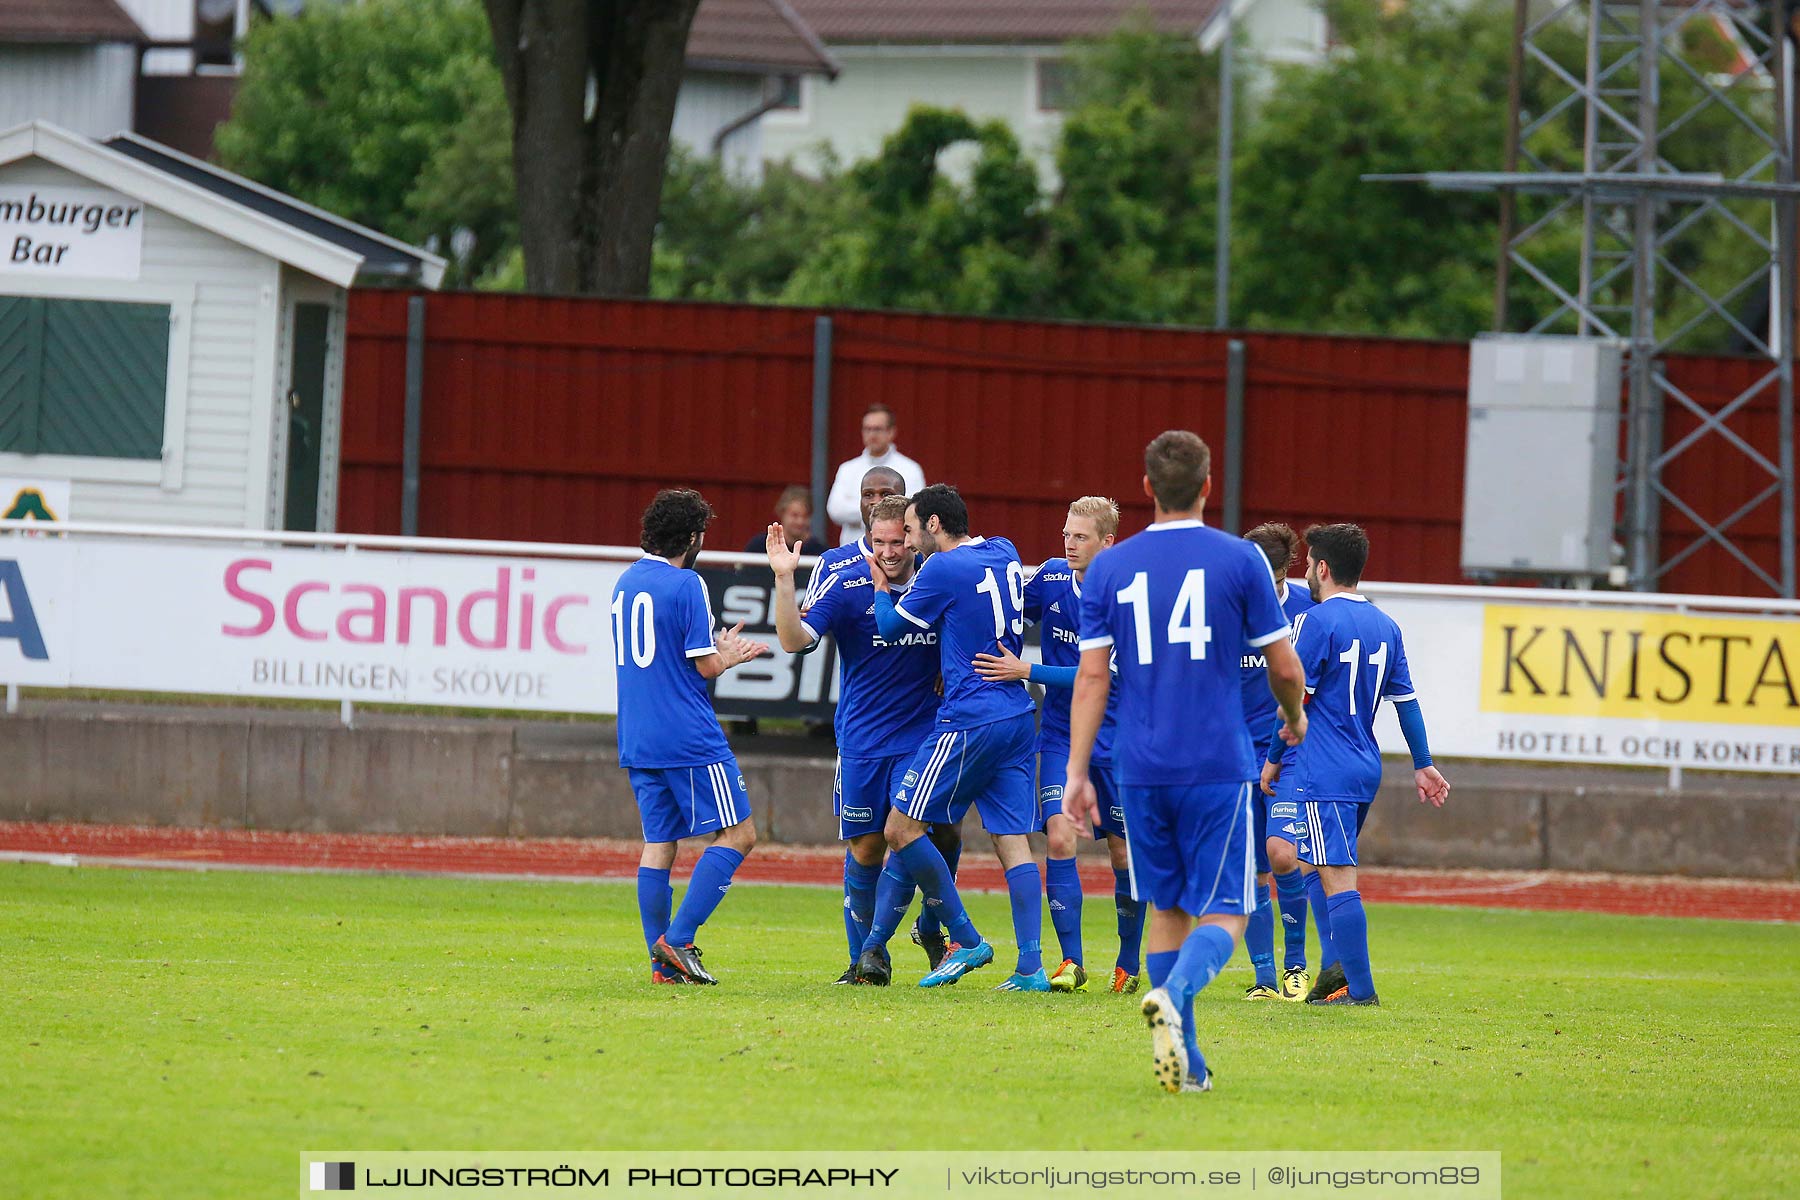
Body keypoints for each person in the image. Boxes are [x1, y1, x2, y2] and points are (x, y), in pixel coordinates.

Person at [1064, 431, 1308, 1095]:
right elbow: (1284, 665)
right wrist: (1292, 718)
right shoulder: (1242, 561)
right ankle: (1173, 993)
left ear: (1146, 489)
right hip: (1216, 762)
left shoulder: (1110, 568)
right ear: (1208, 486)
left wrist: (1077, 772)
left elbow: (1092, 678)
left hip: (1138, 765)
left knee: (1166, 908)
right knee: (1229, 909)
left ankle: (1190, 1065)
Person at [854, 484, 1045, 991]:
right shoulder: (1004, 549)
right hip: (1018, 713)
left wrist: (878, 584)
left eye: (913, 531)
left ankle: (965, 939)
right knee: (1012, 841)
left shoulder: (941, 567)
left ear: (934, 525)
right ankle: (1031, 967)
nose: (910, 544)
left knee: (899, 828)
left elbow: (893, 625)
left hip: (970, 718)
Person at [1261, 523, 1450, 1007]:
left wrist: (1274, 759)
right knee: (1311, 862)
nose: (1306, 573)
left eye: (1308, 565)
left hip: (1325, 769)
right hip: (1364, 767)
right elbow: (1405, 702)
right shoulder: (1387, 626)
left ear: (1322, 568)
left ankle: (1359, 991)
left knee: (1337, 872)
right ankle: (1335, 972)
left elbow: (1293, 699)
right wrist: (1422, 764)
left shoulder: (1317, 622)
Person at [972, 497, 1146, 995]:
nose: (1068, 544)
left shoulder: (1125, 594)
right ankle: (1071, 960)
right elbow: (1003, 610)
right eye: (1066, 534)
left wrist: (1026, 670)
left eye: (1081, 537)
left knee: (1122, 852)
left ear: (1108, 543)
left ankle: (1128, 963)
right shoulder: (1048, 578)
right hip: (1060, 736)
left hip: (1117, 739)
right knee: (1059, 837)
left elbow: (1102, 674)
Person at [766, 495, 941, 984]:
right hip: (863, 737)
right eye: (879, 542)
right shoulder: (846, 582)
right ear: (868, 537)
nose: (890, 552)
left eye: (899, 541)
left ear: (914, 536)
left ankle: (876, 948)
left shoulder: (938, 575)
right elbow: (794, 640)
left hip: (923, 736)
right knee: (866, 848)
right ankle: (863, 962)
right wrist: (784, 579)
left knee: (906, 835)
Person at [613, 489, 770, 986]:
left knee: (660, 842)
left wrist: (713, 651)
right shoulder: (687, 584)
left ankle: (662, 967)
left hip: (637, 735)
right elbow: (704, 667)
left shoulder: (625, 581)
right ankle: (677, 941)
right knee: (739, 834)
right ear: (693, 537)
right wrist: (731, 655)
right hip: (687, 735)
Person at [1238, 522, 1317, 1002]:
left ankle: (1296, 966)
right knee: (1249, 871)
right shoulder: (1227, 610)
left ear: (1282, 571)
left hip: (1290, 754)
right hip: (1235, 756)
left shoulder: (1309, 612)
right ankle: (1265, 977)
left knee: (1283, 855)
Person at [802, 466, 906, 608]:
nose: (875, 502)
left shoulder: (927, 561)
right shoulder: (831, 562)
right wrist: (784, 577)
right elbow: (809, 626)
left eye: (886, 494)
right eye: (868, 495)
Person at [825, 404, 925, 547]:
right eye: (867, 429)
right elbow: (835, 510)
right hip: (853, 552)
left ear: (891, 432)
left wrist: (862, 509)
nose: (872, 434)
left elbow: (913, 511)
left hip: (895, 553)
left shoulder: (910, 469)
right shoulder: (847, 469)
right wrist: (886, 508)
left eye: (877, 429)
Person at [744, 485, 826, 557]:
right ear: (782, 513)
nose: (800, 522)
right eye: (795, 515)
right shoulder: (759, 547)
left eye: (805, 516)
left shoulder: (819, 551)